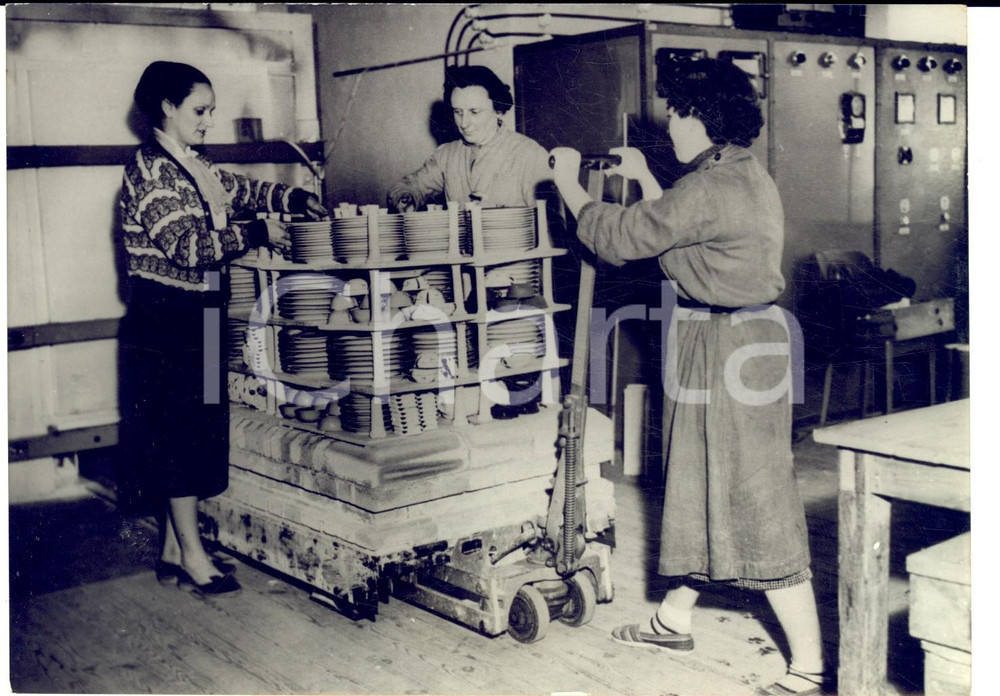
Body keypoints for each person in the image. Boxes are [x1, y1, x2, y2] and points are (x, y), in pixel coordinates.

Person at [550, 59, 826, 696]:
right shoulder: (739, 173)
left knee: (758, 500)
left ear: (702, 118)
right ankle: (672, 620)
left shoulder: (708, 189)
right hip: (732, 339)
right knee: (700, 480)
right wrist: (647, 177)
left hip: (729, 348)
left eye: (676, 113)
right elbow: (684, 232)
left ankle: (810, 667)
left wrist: (567, 183)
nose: (670, 124)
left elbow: (622, 238)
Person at [118, 61, 326, 596]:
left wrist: (291, 197)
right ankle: (193, 556)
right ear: (167, 107)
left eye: (211, 110)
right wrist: (256, 232)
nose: (209, 121)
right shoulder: (151, 171)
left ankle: (173, 548)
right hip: (166, 319)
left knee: (202, 426)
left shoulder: (193, 162)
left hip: (206, 311)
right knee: (177, 432)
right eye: (200, 110)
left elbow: (241, 190)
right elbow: (187, 247)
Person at [386, 65, 552, 212]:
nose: (464, 123)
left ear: (498, 110)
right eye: (458, 112)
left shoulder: (529, 155)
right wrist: (405, 198)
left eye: (474, 112)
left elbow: (553, 223)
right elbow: (410, 186)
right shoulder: (447, 155)